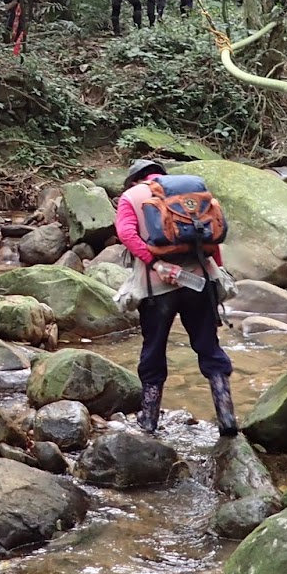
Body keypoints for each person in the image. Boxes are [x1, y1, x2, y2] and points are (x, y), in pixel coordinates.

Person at [115, 158, 237, 436]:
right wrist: (217, 276)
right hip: (200, 283)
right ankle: (227, 417)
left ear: (134, 179)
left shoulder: (131, 196)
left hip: (157, 289)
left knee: (154, 349)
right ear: (160, 176)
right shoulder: (190, 195)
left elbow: (126, 234)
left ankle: (149, 420)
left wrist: (155, 263)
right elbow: (211, 238)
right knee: (209, 347)